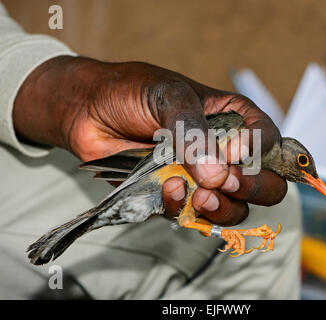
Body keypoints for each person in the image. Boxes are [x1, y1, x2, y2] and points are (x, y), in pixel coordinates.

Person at [0, 3, 301, 299]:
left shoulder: (251, 149)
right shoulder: (235, 124)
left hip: (154, 184)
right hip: (150, 179)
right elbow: (168, 156)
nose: (307, 173)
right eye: (302, 162)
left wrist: (82, 106)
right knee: (238, 216)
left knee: (269, 206)